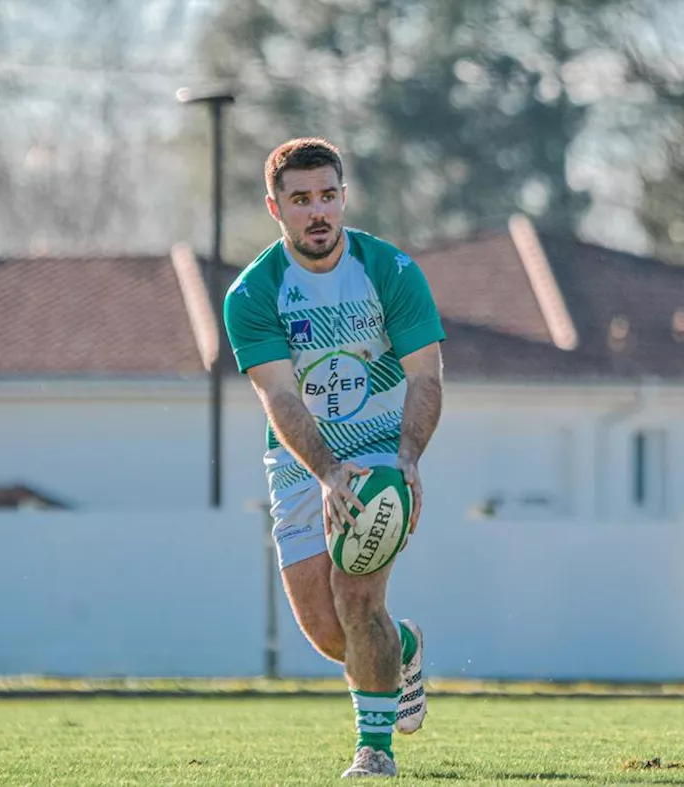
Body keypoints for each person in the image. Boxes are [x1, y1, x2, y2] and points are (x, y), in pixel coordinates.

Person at [223, 137, 445, 778]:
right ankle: (400, 648)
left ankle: (374, 751)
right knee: (328, 633)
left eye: (327, 196)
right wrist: (324, 472)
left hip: (380, 451)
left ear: (343, 197)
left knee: (358, 597)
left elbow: (426, 377)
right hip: (301, 459)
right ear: (276, 207)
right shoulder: (252, 293)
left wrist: (407, 460)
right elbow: (277, 394)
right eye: (300, 200)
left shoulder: (390, 270)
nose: (316, 212)